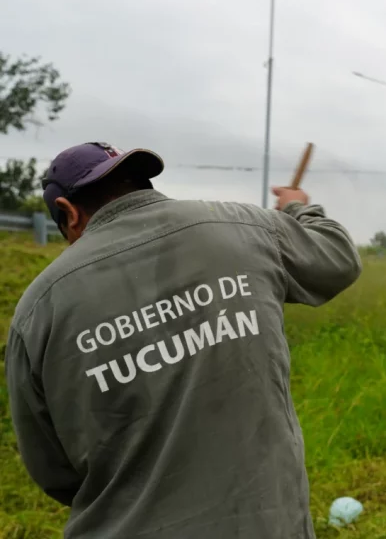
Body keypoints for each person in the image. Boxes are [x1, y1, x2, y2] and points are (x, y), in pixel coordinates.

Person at [4, 142, 363, 538]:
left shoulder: (38, 309)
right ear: (140, 181)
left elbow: (52, 469)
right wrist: (297, 206)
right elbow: (337, 256)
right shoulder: (244, 228)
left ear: (68, 213)